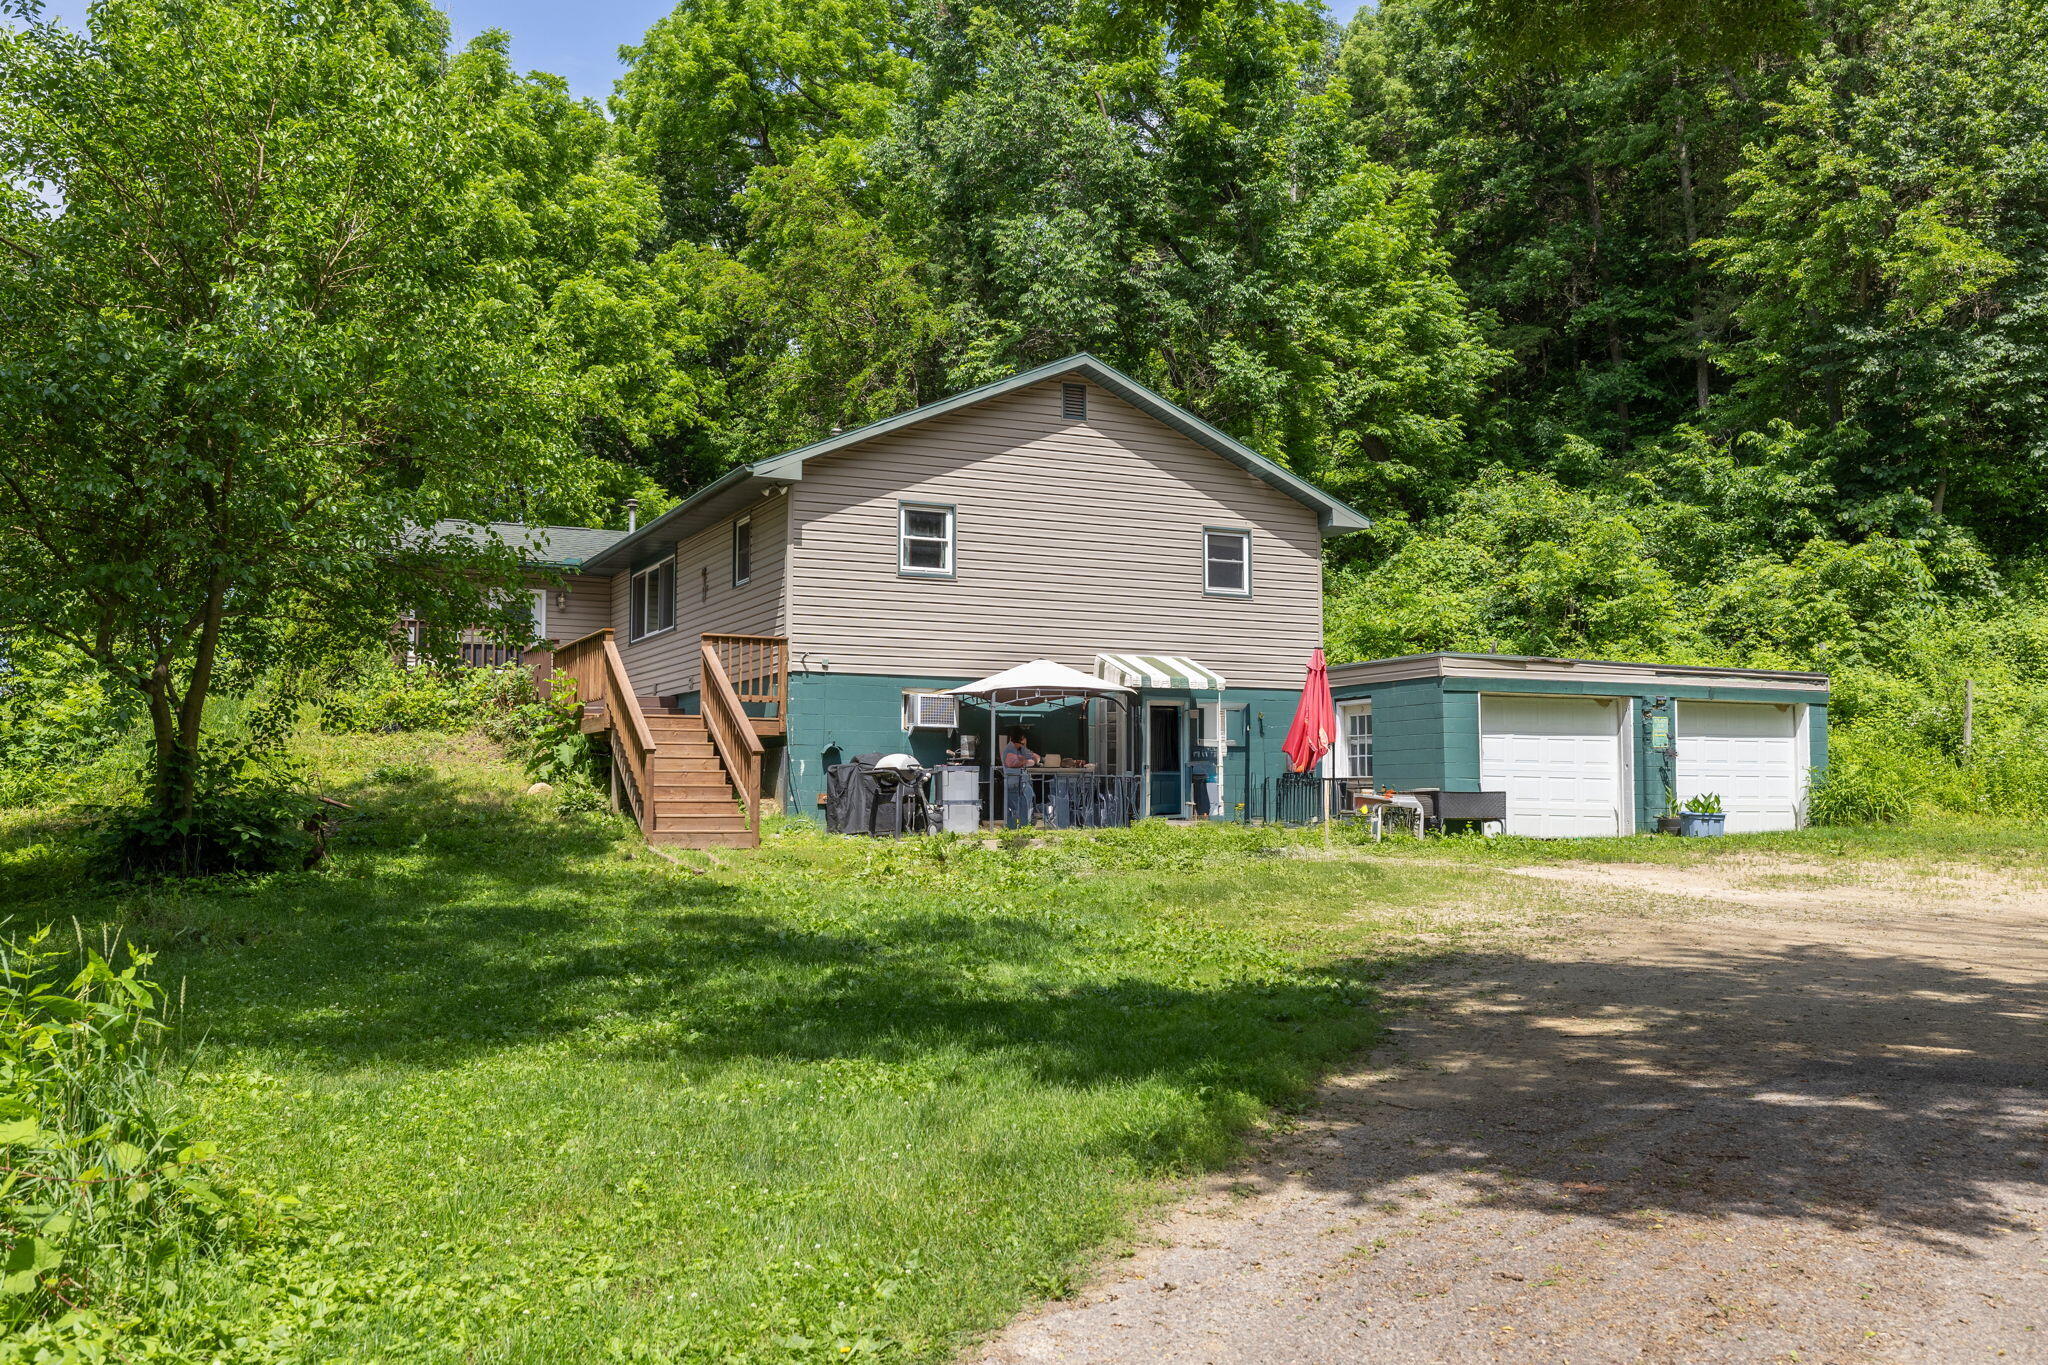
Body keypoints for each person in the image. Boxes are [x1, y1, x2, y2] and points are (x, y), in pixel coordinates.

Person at [1000, 729, 1040, 828]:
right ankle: (1013, 828)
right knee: (1014, 808)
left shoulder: (1020, 749)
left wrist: (1027, 759)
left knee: (1027, 803)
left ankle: (1024, 826)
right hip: (1013, 782)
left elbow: (1036, 758)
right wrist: (1026, 761)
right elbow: (1013, 762)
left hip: (1021, 782)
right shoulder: (1009, 749)